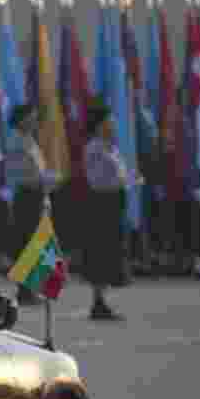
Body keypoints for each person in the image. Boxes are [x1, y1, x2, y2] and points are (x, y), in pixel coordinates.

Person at [4, 103, 56, 306]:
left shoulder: (30, 141)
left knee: (36, 242)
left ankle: (30, 287)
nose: (34, 121)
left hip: (35, 194)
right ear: (21, 119)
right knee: (26, 241)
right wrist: (47, 179)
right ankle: (24, 289)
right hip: (25, 195)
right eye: (31, 117)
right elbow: (25, 174)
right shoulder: (17, 141)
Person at [84, 97, 127, 321]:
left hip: (112, 202)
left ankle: (101, 301)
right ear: (101, 124)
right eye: (110, 121)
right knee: (100, 253)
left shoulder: (111, 147)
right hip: (101, 203)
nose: (114, 125)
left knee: (109, 252)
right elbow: (95, 180)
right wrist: (119, 183)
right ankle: (98, 302)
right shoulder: (94, 148)